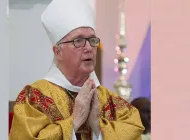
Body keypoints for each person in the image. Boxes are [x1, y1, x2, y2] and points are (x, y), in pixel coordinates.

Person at [9, 0, 144, 139]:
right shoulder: (34, 99)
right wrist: (74, 122)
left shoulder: (112, 102)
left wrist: (98, 128)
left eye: (92, 40)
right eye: (78, 41)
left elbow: (133, 132)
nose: (88, 48)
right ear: (57, 52)